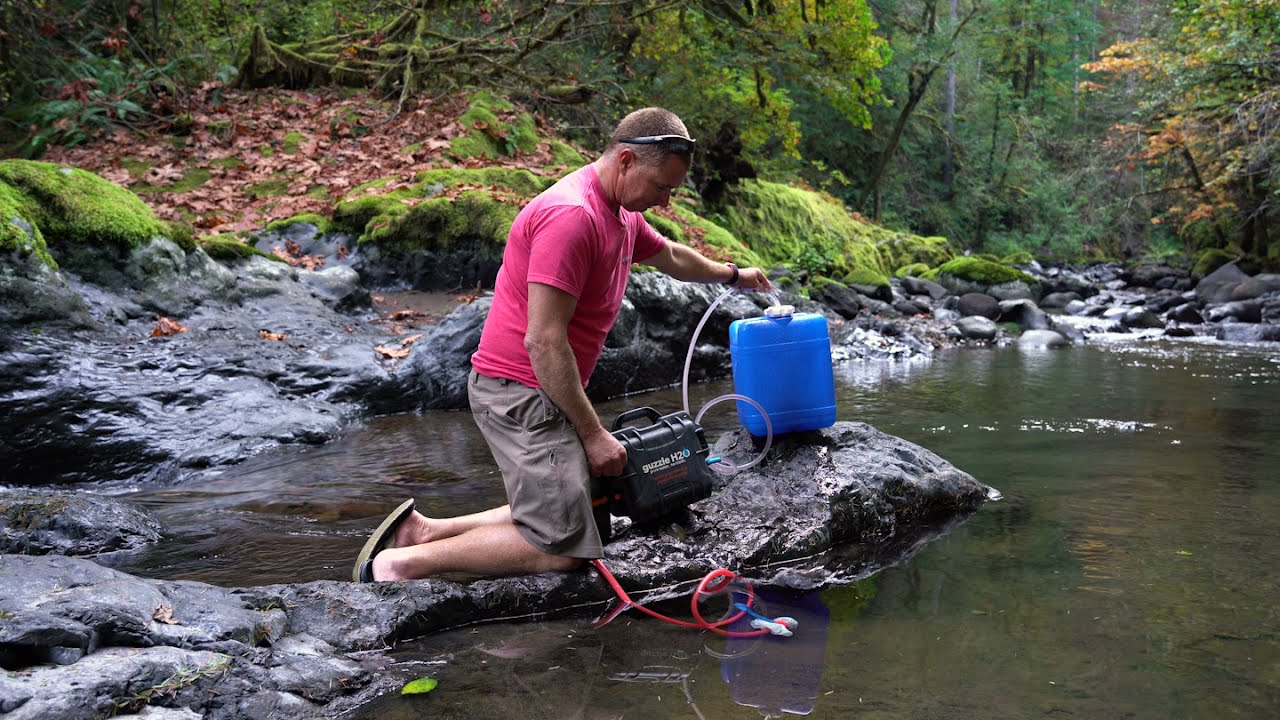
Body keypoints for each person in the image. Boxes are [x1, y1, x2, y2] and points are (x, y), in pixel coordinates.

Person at [354, 107, 771, 582]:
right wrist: (593, 435)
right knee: (563, 549)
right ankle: (397, 566)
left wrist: (733, 275)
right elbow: (544, 340)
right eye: (662, 188)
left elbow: (672, 255)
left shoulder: (619, 212)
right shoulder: (572, 217)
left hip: (542, 388)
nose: (665, 202)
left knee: (591, 514)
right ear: (627, 160)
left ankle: (424, 532)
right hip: (519, 392)